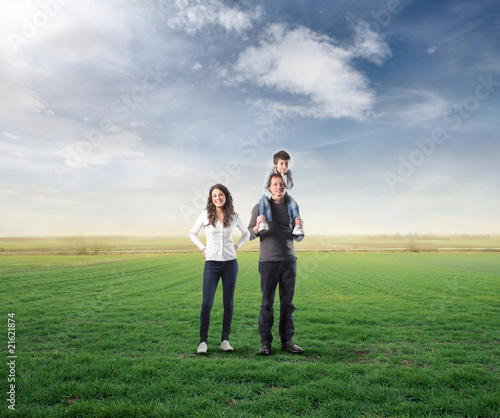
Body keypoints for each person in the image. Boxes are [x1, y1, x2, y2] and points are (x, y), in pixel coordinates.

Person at [248, 172, 305, 355]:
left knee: (287, 304)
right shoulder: (260, 207)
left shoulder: (292, 206)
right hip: (268, 262)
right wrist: (257, 226)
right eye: (275, 184)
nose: (279, 187)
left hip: (289, 261)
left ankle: (287, 341)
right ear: (269, 187)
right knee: (267, 303)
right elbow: (249, 234)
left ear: (285, 186)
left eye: (281, 184)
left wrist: (299, 226)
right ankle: (265, 342)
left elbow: (298, 237)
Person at [189, 184, 250, 354]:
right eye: (214, 195)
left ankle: (225, 340)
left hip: (230, 263)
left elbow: (246, 234)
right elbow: (192, 233)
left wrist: (237, 246)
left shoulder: (234, 216)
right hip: (212, 264)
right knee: (206, 303)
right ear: (211, 198)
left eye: (220, 195)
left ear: (226, 196)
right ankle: (203, 341)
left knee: (228, 304)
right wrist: (202, 248)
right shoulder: (205, 215)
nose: (218, 198)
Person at [258, 150, 304, 237]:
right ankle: (264, 222)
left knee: (294, 204)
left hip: (283, 193)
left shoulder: (288, 172)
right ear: (275, 164)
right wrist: (272, 197)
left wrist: (283, 175)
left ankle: (297, 226)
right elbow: (264, 188)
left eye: (286, 164)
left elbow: (289, 186)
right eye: (281, 164)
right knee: (263, 201)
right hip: (269, 193)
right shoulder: (270, 172)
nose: (284, 166)